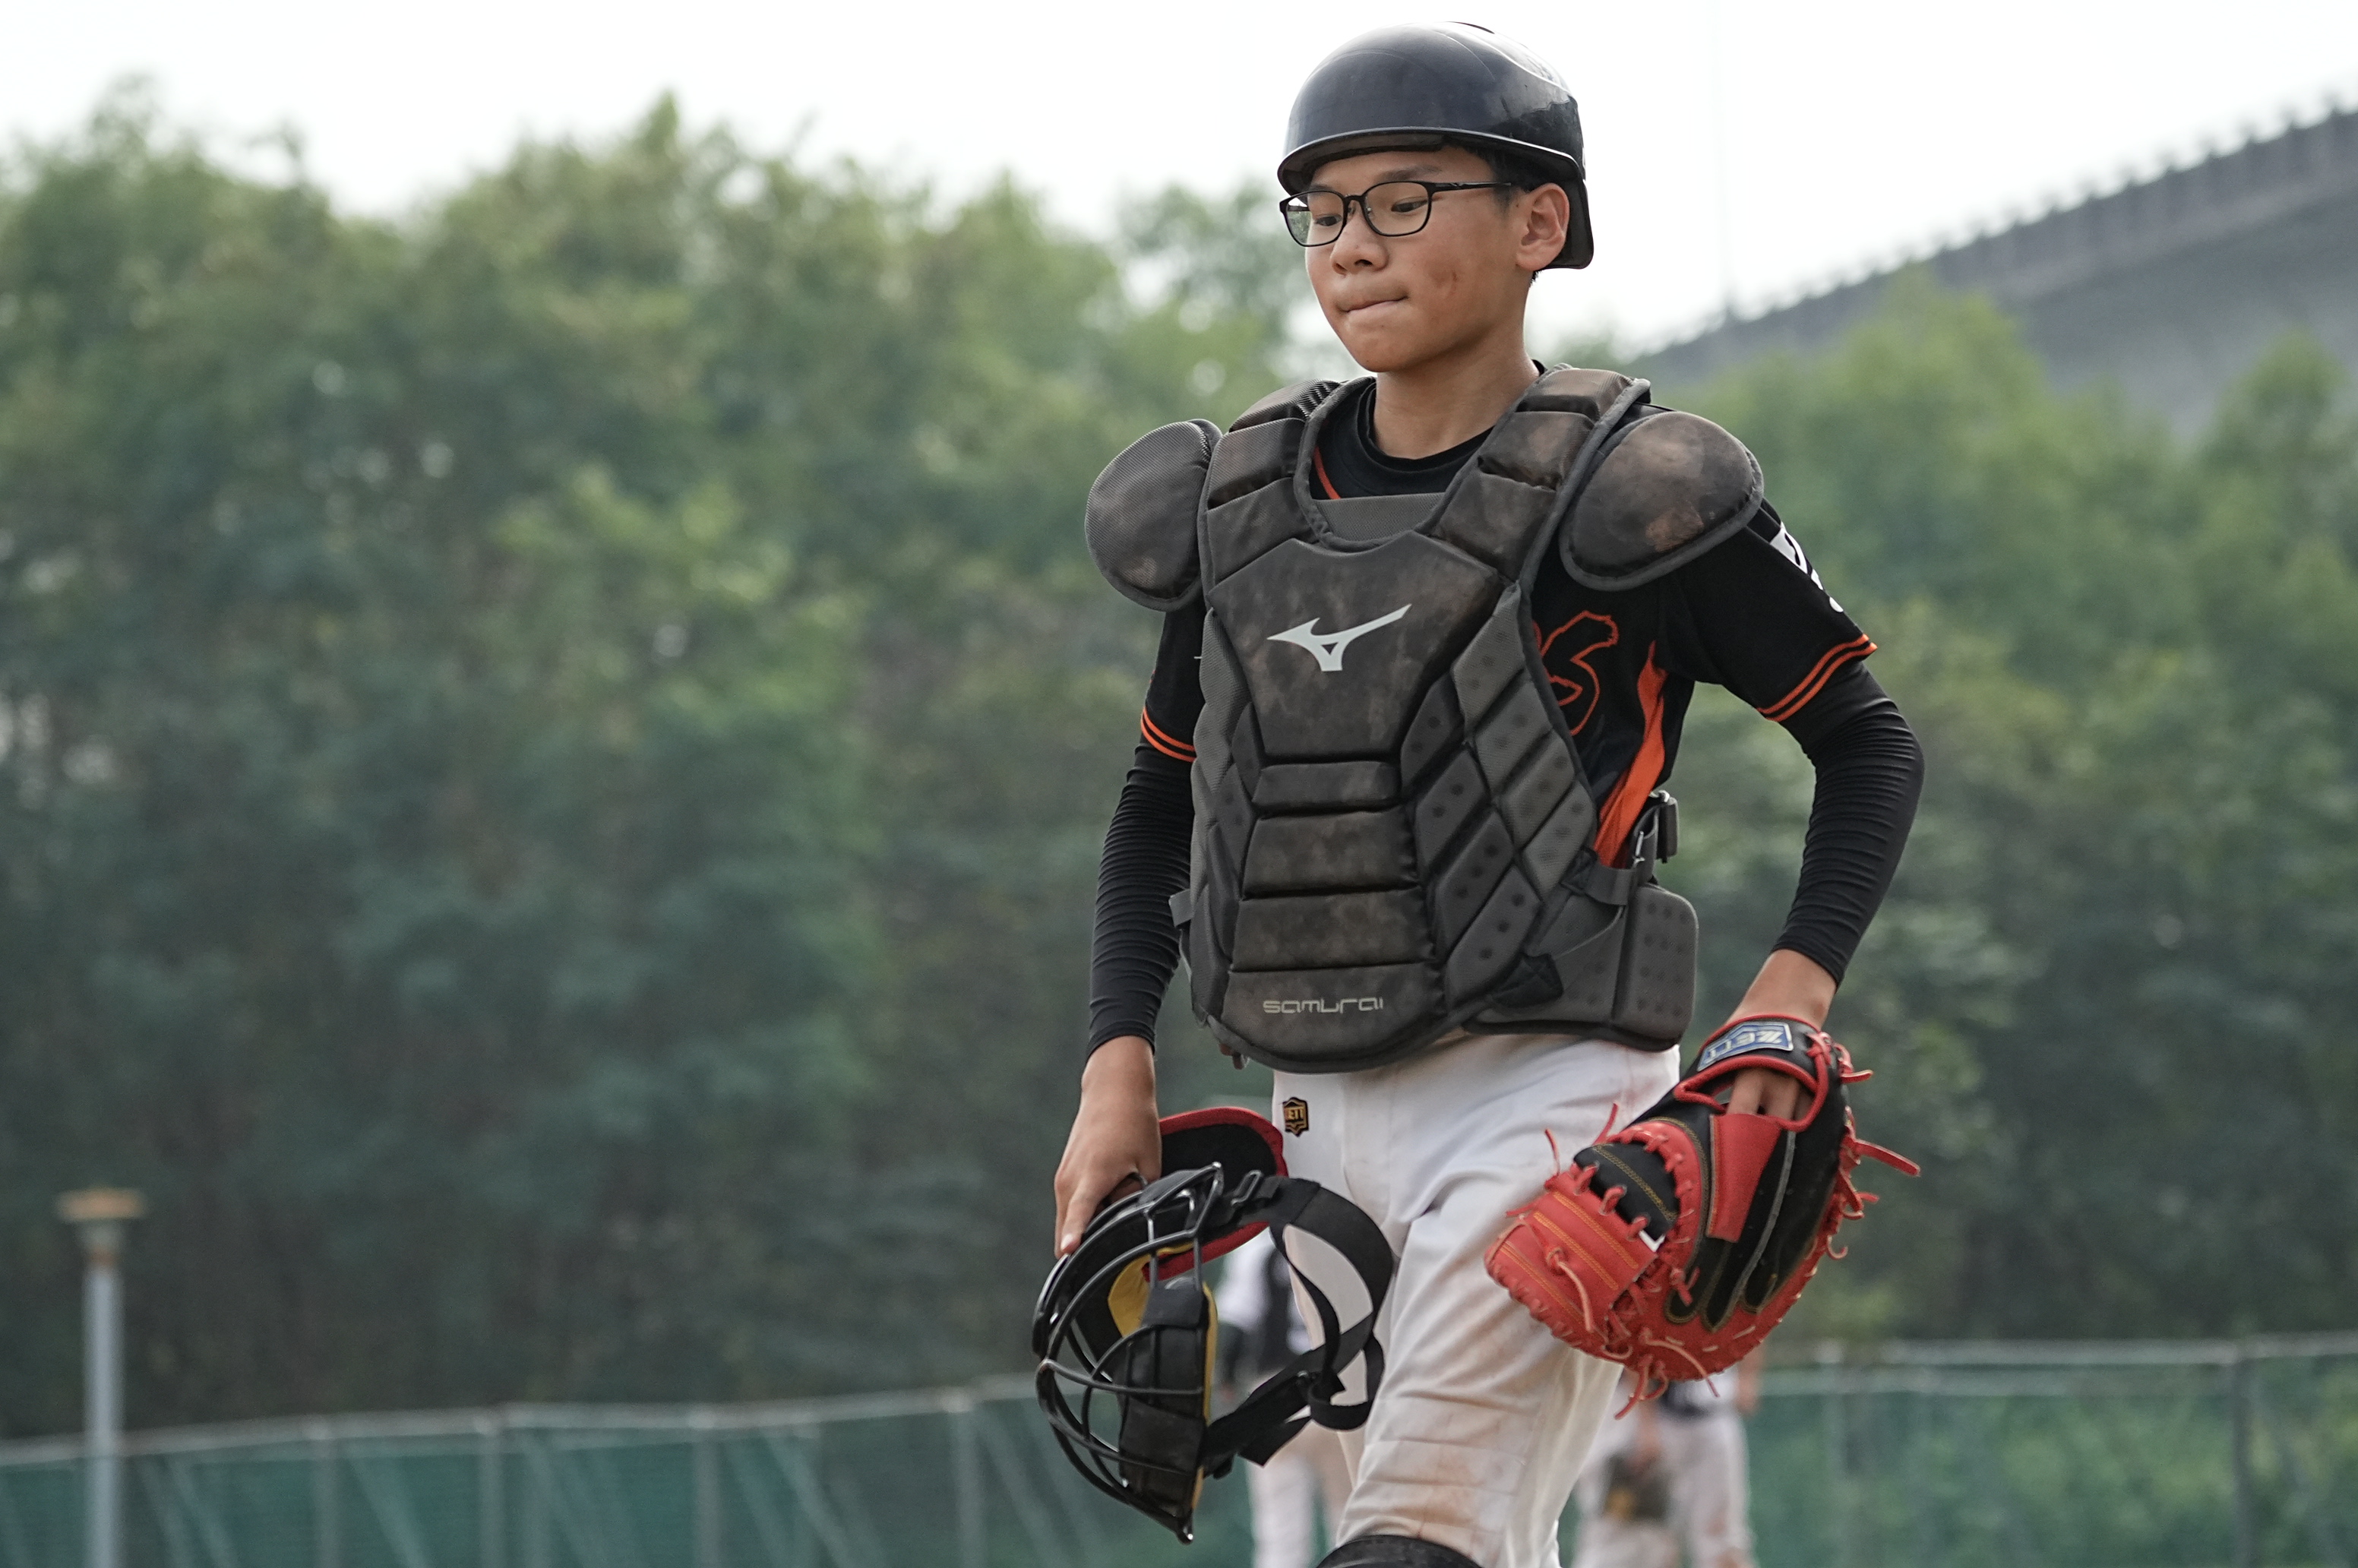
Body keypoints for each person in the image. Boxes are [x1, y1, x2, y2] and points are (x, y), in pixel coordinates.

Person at [1054, 24, 1921, 1568]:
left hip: (1549, 1096)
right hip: (1313, 1120)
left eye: (1403, 200)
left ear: (1538, 221)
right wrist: (1114, 1063)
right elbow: (1151, 809)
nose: (1352, 244)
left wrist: (1786, 1001)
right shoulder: (1240, 508)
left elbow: (1865, 743)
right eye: (1323, 209)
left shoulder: (1637, 491)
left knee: (1415, 1542)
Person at [1218, 1227, 1354, 1568]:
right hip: (1336, 1391)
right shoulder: (1333, 1235)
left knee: (1281, 1534)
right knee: (1349, 1525)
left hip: (1275, 1400)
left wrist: (1227, 1380)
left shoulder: (1254, 1249)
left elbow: (1237, 1324)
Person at [1572, 1360, 1764, 1568]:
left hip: (1711, 1408)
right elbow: (1634, 1347)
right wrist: (1646, 1423)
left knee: (1722, 1538)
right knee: (1629, 1540)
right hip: (1643, 1411)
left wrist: (1748, 1377)